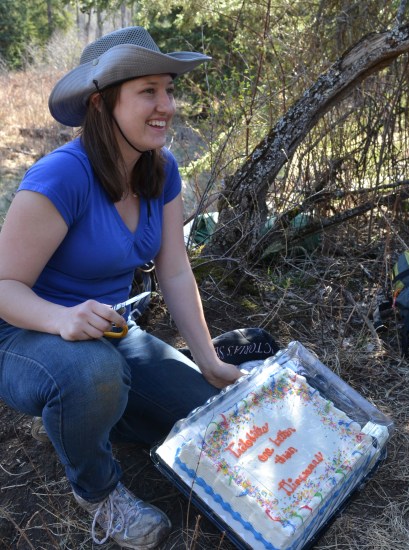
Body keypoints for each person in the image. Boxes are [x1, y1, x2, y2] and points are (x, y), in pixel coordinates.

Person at [0, 26, 244, 549]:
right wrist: (61, 319)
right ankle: (97, 489)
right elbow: (3, 286)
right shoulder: (61, 178)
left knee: (199, 412)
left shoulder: (162, 171)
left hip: (110, 331)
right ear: (101, 104)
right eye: (148, 92)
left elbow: (175, 270)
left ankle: (93, 417)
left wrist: (208, 359)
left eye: (169, 89)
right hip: (23, 336)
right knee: (93, 374)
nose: (167, 106)